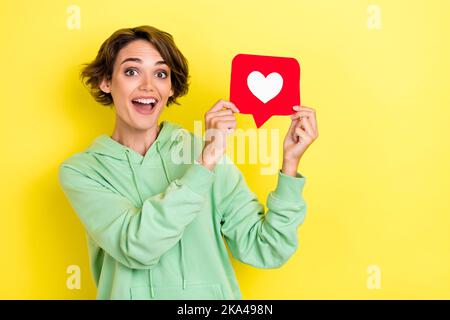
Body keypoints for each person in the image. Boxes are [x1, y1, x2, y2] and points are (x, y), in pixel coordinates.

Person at [58, 25, 318, 300]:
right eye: (131, 71)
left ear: (170, 88)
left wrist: (290, 164)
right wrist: (203, 164)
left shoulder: (208, 152)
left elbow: (267, 248)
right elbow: (137, 246)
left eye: (160, 74)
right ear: (106, 82)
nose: (147, 85)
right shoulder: (82, 172)